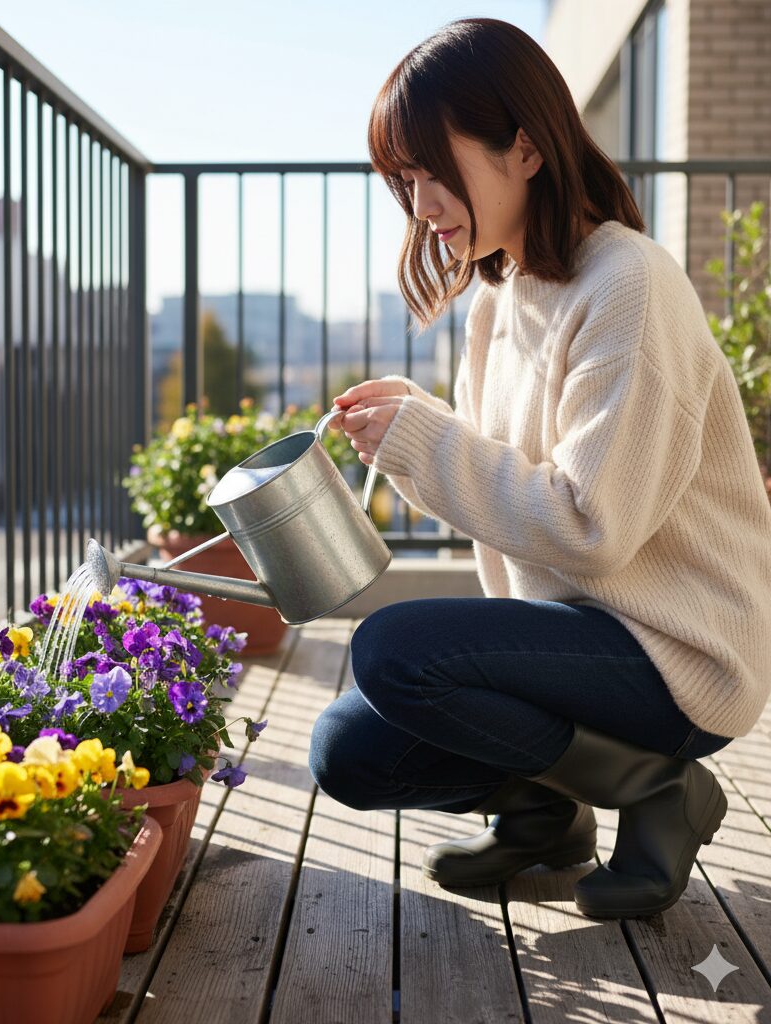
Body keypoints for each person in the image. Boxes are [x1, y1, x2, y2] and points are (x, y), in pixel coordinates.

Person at [311, 17, 771, 920]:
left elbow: (586, 528)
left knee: (391, 651)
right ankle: (546, 813)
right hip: (574, 638)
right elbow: (509, 483)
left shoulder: (626, 285)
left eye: (434, 172)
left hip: (675, 652)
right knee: (349, 750)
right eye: (404, 181)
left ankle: (655, 788)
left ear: (524, 147)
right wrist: (427, 422)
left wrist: (423, 441)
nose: (422, 203)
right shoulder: (503, 297)